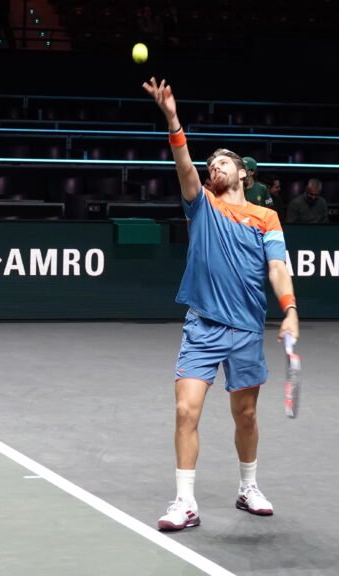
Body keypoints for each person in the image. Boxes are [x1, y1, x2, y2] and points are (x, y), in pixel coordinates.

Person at [142, 77, 299, 532]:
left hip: (246, 329)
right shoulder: (201, 205)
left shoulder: (265, 217)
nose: (216, 166)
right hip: (202, 327)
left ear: (244, 174)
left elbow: (277, 268)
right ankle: (185, 502)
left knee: (245, 413)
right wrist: (172, 118)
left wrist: (288, 308)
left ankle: (248, 487)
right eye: (212, 163)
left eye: (224, 161)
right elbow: (183, 166)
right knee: (185, 411)